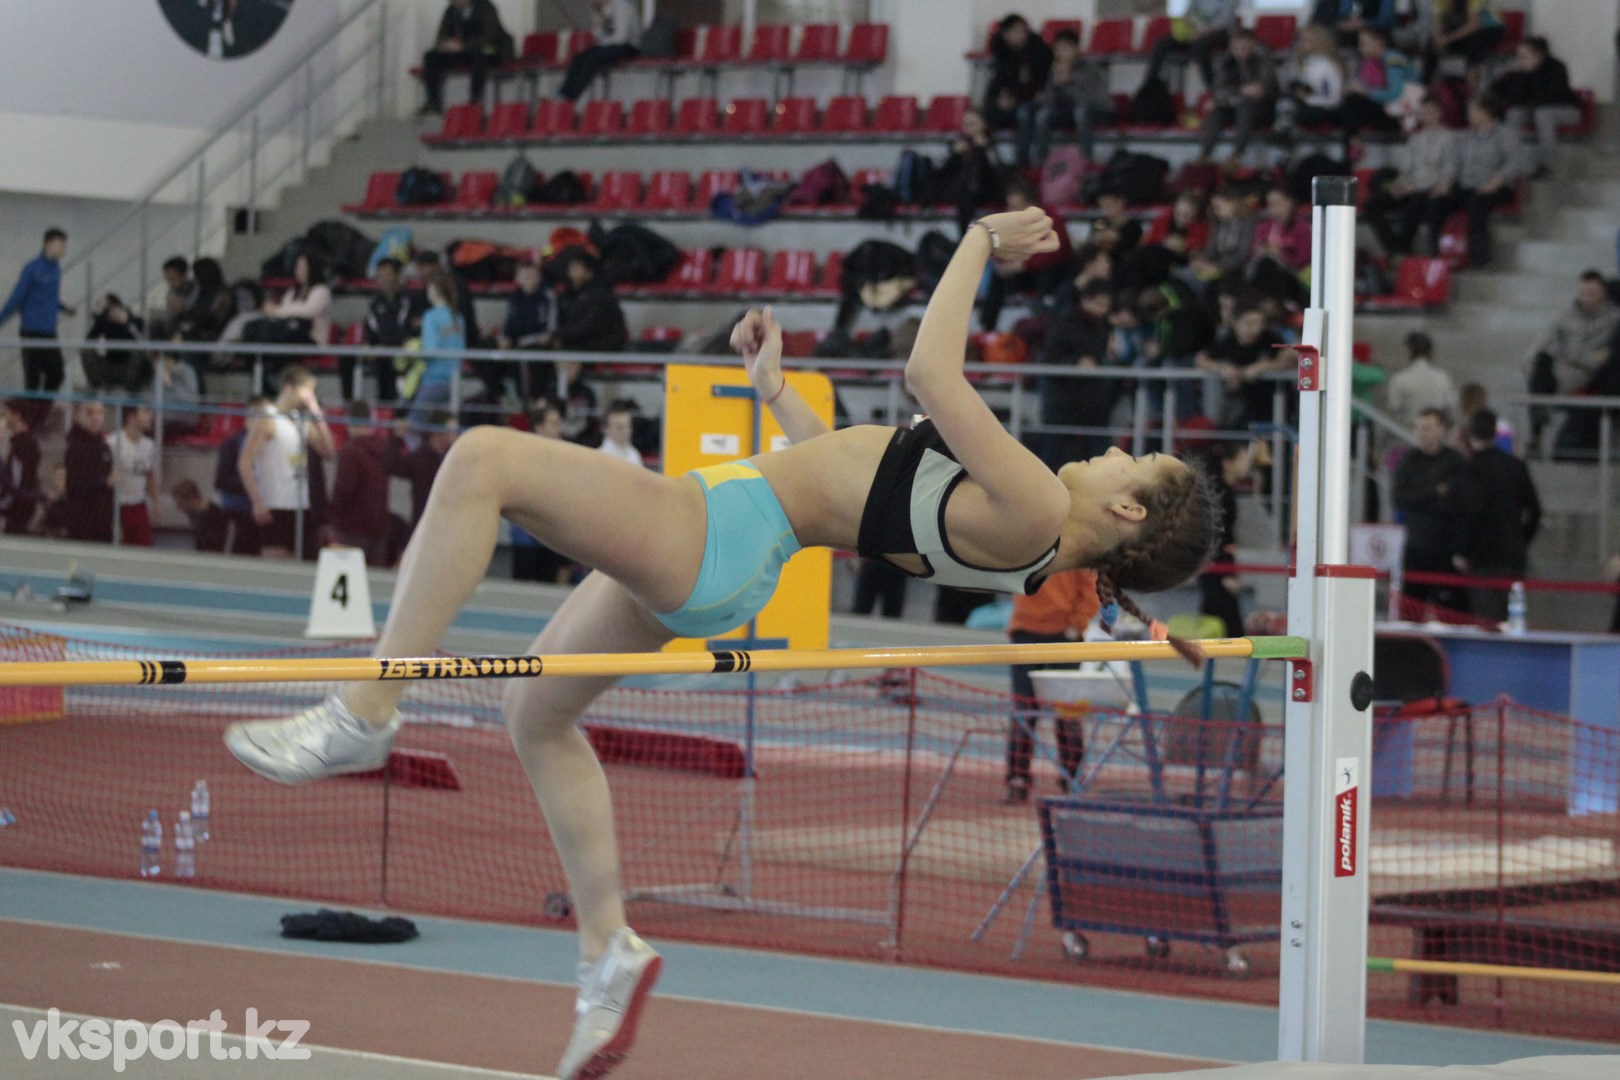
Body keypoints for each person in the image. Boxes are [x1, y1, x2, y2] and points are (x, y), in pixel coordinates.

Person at [221, 208, 1221, 1080]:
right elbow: (858, 487)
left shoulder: (1039, 503)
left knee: (481, 459)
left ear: (1130, 509)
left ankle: (367, 709)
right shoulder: (1028, 536)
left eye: (1134, 457)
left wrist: (979, 240)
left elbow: (928, 369)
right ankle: (606, 953)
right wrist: (775, 390)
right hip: (734, 542)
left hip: (721, 533)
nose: (1113, 448)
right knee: (535, 713)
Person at [1002, 567, 1100, 803]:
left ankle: (1071, 777)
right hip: (1027, 629)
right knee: (1025, 710)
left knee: (1066, 711)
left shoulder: (1077, 549)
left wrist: (1077, 623)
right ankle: (1019, 777)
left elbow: (1091, 586)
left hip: (1064, 633)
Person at [238, 366, 335, 559]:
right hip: (277, 503)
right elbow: (244, 462)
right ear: (290, 388)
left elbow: (329, 451)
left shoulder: (301, 420)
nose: (310, 397)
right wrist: (257, 501)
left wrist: (318, 415)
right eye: (307, 391)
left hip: (301, 504)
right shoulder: (268, 417)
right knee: (276, 558)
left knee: (304, 561)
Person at [1456, 408, 1540, 622]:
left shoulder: (1469, 469)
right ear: (1495, 432)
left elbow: (1470, 514)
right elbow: (1535, 511)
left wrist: (1463, 551)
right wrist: (1522, 539)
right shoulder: (1516, 466)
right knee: (1512, 621)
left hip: (1482, 559)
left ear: (1470, 433)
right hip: (1513, 556)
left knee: (1487, 623)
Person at [1423, 94, 1522, 269]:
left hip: (1497, 187)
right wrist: (1446, 182)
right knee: (1436, 202)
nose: (1468, 114)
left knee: (1477, 204)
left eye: (1472, 110)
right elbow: (1454, 163)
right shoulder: (1466, 136)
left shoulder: (1505, 134)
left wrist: (1496, 181)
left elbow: (1514, 162)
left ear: (1486, 112)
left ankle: (1480, 260)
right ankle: (1434, 254)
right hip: (1467, 185)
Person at [1527, 270, 1618, 451]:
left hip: (1588, 373)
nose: (1587, 298)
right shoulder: (1566, 314)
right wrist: (1530, 360)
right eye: (1583, 293)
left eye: (1592, 293)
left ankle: (1539, 430)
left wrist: (1579, 357)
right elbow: (1544, 339)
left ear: (1602, 293)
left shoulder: (1614, 318)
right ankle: (1536, 434)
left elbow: (1604, 357)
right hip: (1562, 369)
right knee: (1541, 363)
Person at [1393, 408, 1470, 616]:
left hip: (1446, 548)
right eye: (1418, 428)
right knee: (1411, 609)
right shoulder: (1409, 460)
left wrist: (1425, 498)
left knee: (1448, 610)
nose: (1421, 433)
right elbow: (1400, 499)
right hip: (1417, 546)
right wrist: (1434, 492)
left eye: (1427, 428)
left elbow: (1458, 501)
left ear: (1441, 430)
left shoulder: (1454, 461)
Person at [1364, 95, 1460, 255]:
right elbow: (1406, 169)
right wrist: (1401, 185)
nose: (1427, 116)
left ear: (1439, 113)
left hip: (1429, 189)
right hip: (1410, 187)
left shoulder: (1450, 138)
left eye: (1430, 112)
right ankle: (1395, 248)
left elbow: (1448, 171)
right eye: (1424, 112)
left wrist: (1417, 186)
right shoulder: (1415, 139)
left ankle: (1401, 251)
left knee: (1415, 204)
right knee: (1372, 205)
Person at [1038, 280, 1117, 468]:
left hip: (1092, 402)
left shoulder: (1104, 326)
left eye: (1106, 306)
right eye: (1099, 304)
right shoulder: (1064, 323)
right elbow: (1049, 360)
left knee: (1100, 454)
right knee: (1053, 452)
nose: (1103, 310)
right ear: (1085, 300)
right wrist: (1075, 363)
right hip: (1064, 401)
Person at [0, 228, 76, 417]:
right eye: (60, 245)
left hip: (49, 332)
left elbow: (49, 297)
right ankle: (29, 419)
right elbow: (18, 297)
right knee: (33, 379)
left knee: (56, 373)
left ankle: (37, 415)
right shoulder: (32, 268)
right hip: (31, 330)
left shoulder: (56, 269)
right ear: (48, 244)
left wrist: (64, 308)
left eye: (64, 246)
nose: (63, 250)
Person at [979, 177, 1072, 331]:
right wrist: (1004, 263)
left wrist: (1024, 265)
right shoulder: (1009, 222)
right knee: (998, 276)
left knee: (1048, 272)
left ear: (1031, 205)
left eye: (1017, 207)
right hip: (1025, 271)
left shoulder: (1051, 218)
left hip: (1051, 272)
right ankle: (987, 327)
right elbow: (999, 247)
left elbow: (1057, 252)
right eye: (1010, 206)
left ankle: (1041, 321)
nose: (1011, 211)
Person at [1017, 28, 1112, 166]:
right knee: (1043, 115)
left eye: (1065, 49)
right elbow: (1049, 103)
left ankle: (1086, 161)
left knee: (1081, 113)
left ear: (1076, 49)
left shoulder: (1089, 68)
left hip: (1098, 110)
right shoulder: (1056, 68)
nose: (1061, 53)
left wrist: (1070, 81)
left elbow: (1089, 101)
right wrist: (1055, 87)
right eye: (1058, 49)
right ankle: (1041, 162)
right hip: (1069, 111)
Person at [1492, 35, 1582, 178]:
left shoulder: (1557, 68)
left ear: (1538, 56)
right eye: (1518, 57)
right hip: (1535, 109)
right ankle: (1509, 162)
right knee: (1515, 113)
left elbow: (1550, 97)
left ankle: (1546, 166)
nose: (1519, 61)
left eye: (1523, 57)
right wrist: (1518, 77)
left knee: (1543, 114)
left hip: (1565, 110)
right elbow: (1509, 96)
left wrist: (1532, 75)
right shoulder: (1521, 71)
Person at [510, 403, 576, 586]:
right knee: (523, 585)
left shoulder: (564, 454)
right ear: (539, 427)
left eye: (559, 423)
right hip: (526, 532)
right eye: (553, 423)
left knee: (548, 582)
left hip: (551, 530)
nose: (559, 428)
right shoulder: (524, 454)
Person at [1196, 304, 1289, 430]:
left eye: (1260, 324)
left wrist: (1263, 367)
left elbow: (1288, 359)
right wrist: (1223, 368)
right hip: (1242, 406)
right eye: (1249, 324)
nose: (1256, 329)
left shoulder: (1270, 339)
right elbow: (1201, 359)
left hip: (1273, 403)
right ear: (1235, 323)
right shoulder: (1228, 342)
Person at [1199, 439, 1257, 638]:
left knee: (1214, 624)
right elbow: (1218, 535)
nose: (1247, 464)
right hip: (1216, 568)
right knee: (1231, 630)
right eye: (1242, 459)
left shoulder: (1224, 491)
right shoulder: (1220, 494)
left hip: (1216, 566)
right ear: (1228, 463)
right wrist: (1227, 573)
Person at [1196, 28, 1277, 165]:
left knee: (1244, 106)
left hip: (1262, 109)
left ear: (1253, 45)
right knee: (1214, 112)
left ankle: (1236, 156)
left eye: (1244, 48)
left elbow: (1260, 91)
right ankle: (1204, 156)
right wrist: (1239, 92)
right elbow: (1219, 90)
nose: (1240, 52)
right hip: (1233, 107)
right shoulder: (1226, 62)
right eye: (1236, 48)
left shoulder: (1263, 61)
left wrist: (1228, 95)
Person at [328, 402, 394, 566]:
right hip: (378, 526)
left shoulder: (350, 452)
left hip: (351, 527)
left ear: (348, 421)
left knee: (348, 573)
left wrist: (333, 517)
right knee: (374, 575)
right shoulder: (384, 449)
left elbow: (343, 490)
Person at [419, 0, 512, 114]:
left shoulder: (486, 6)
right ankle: (433, 102)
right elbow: (441, 34)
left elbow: (490, 36)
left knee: (479, 54)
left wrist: (464, 46)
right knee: (431, 56)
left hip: (491, 49)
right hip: (466, 51)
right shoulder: (451, 10)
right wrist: (445, 44)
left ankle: (474, 100)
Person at [386, 407, 459, 536]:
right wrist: (397, 438)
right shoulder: (422, 458)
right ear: (437, 433)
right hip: (425, 527)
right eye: (452, 430)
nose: (456, 435)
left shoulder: (453, 458)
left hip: (446, 526)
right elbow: (392, 465)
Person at [1272, 24, 1346, 148]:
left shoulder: (1330, 66)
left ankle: (1284, 134)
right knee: (1286, 100)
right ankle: (1285, 133)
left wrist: (1308, 98)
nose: (1300, 44)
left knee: (1289, 111)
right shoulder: (1301, 63)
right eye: (1299, 40)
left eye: (1304, 40)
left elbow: (1334, 99)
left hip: (1324, 109)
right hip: (1302, 104)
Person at [408, 271, 467, 426]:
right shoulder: (458, 317)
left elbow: (430, 350)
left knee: (414, 426)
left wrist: (413, 352)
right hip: (455, 381)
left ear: (434, 290)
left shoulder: (430, 316)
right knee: (447, 426)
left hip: (434, 380)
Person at [938, 108, 1008, 236]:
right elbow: (946, 171)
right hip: (963, 189)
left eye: (972, 123)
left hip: (986, 189)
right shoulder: (960, 144)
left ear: (983, 125)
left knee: (965, 197)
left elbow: (997, 170)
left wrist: (984, 149)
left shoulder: (990, 144)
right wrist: (955, 153)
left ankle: (966, 237)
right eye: (965, 124)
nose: (968, 128)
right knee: (962, 194)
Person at [1142, 0, 1238, 91]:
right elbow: (1190, 14)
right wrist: (1189, 28)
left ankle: (1211, 86)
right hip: (1195, 32)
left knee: (1200, 44)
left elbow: (1223, 23)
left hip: (1220, 34)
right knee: (1163, 42)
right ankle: (1150, 83)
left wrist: (1201, 33)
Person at [1340, 26, 1413, 145]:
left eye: (1364, 43)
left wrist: (1366, 92)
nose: (1360, 47)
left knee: (1352, 103)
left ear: (1379, 41)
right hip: (1385, 108)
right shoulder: (1370, 62)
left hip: (1403, 112)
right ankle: (1353, 141)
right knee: (1350, 102)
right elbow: (1362, 83)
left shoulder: (1394, 60)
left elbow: (1395, 94)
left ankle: (1352, 143)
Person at [559, 0, 642, 103]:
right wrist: (598, 25)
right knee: (579, 57)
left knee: (592, 58)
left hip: (629, 46)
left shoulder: (622, 7)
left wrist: (602, 44)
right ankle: (563, 94)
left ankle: (571, 98)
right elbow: (599, 38)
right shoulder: (601, 10)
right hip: (610, 45)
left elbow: (621, 38)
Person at [354, 257, 411, 404]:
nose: (384, 279)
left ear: (397, 276)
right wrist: (369, 346)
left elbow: (404, 331)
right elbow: (371, 329)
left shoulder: (408, 300)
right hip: (380, 352)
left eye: (388, 274)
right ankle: (353, 406)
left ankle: (393, 409)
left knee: (389, 362)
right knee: (349, 359)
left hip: (401, 352)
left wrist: (383, 346)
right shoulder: (374, 302)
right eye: (380, 275)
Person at [983, 14, 1053, 132]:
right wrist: (1000, 99)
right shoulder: (1001, 54)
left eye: (1024, 31)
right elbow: (999, 83)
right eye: (1016, 32)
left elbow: (1041, 81)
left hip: (1033, 99)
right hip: (1012, 100)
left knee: (1025, 113)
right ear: (1006, 35)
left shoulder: (1039, 51)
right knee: (987, 110)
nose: (1022, 35)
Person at [498, 261, 556, 404]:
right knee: (487, 350)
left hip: (538, 344)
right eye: (526, 276)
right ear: (517, 278)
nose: (530, 279)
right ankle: (502, 394)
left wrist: (541, 338)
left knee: (531, 358)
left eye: (533, 275)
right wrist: (504, 337)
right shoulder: (514, 298)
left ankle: (534, 400)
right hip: (517, 343)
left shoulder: (547, 295)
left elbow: (550, 329)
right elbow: (508, 322)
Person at [553, 251, 628, 353]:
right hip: (576, 344)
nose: (572, 271)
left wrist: (557, 335)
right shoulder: (567, 296)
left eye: (577, 268)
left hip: (601, 347)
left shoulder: (601, 296)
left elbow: (587, 326)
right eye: (571, 267)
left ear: (589, 272)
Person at [1247, 187, 1311, 305]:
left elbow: (1303, 258)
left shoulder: (1302, 228)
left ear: (1290, 203)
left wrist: (1281, 254)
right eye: (1270, 205)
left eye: (1277, 204)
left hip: (1293, 275)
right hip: (1265, 273)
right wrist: (1262, 251)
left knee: (1269, 266)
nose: (1273, 209)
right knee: (1266, 265)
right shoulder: (1263, 227)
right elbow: (1254, 254)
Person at [62, 401, 115, 543]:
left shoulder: (104, 447)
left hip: (103, 521)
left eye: (99, 413)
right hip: (81, 521)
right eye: (90, 413)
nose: (95, 417)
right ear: (79, 416)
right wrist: (104, 482)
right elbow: (75, 483)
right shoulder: (75, 447)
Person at [108, 405, 158, 547]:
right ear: (131, 417)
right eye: (146, 412)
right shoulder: (114, 442)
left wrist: (156, 502)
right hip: (119, 506)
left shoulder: (148, 445)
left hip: (139, 505)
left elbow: (149, 474)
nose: (150, 417)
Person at [1385, 331, 1457, 428]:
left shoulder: (1399, 379)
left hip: (1408, 431)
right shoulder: (1443, 377)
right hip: (1436, 431)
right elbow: (1450, 407)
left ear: (1407, 349)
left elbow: (1394, 408)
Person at [1427, 0, 1504, 86]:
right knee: (1431, 44)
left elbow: (1474, 24)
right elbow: (1438, 21)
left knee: (1474, 43)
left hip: (1489, 27)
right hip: (1464, 27)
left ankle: (1473, 90)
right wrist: (1438, 39)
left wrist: (1447, 39)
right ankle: (1427, 87)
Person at [83, 293, 148, 394]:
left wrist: (127, 323)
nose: (111, 312)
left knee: (138, 352)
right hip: (109, 364)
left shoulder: (135, 320)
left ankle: (131, 388)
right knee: (86, 351)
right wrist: (98, 317)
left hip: (128, 365)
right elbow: (89, 340)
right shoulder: (104, 323)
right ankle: (97, 386)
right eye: (106, 309)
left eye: (111, 307)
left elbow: (141, 340)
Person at [0, 399, 41, 534]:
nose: (4, 417)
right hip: (19, 504)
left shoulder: (24, 445)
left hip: (18, 509)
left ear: (17, 415)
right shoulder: (21, 443)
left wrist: (4, 504)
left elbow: (16, 483)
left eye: (6, 413)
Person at [171, 479, 230, 553]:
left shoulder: (214, 517)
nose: (179, 507)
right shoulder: (195, 514)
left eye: (180, 503)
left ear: (191, 499)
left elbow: (214, 547)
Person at [145, 256, 194, 340]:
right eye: (167, 279)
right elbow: (170, 318)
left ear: (184, 275)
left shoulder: (195, 290)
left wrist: (182, 310)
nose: (170, 283)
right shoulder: (172, 291)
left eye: (173, 279)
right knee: (155, 325)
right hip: (174, 325)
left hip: (190, 325)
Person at [1311, 0, 1399, 47]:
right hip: (1352, 30)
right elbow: (1344, 13)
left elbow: (1386, 19)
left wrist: (1365, 23)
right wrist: (1347, 22)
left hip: (1378, 31)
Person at [597, 401, 642, 467]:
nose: (625, 431)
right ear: (605, 429)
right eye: (619, 427)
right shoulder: (599, 457)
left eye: (628, 426)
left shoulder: (634, 454)